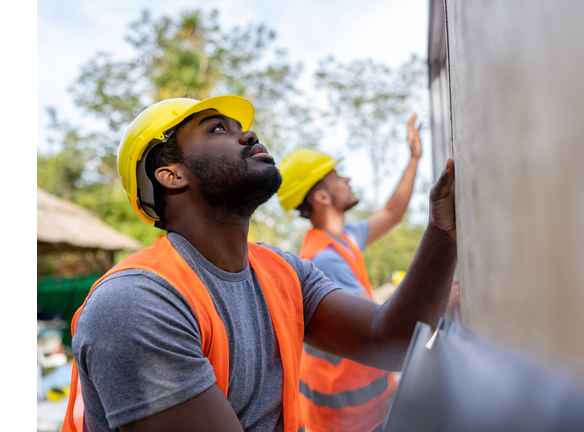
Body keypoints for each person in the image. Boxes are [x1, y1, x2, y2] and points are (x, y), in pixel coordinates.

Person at [61, 95, 457, 432]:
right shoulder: (138, 303)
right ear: (172, 175)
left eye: (240, 128)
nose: (249, 134)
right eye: (218, 129)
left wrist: (444, 235)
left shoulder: (283, 272)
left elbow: (388, 341)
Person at [276, 114, 423, 432]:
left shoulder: (342, 240)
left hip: (360, 407)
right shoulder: (325, 259)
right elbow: (381, 325)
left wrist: (413, 159)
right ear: (323, 197)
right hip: (348, 419)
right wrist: (435, 295)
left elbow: (392, 212)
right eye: (337, 176)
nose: (348, 180)